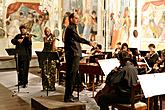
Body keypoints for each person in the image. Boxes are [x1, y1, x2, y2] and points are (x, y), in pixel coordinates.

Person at [64, 13, 94, 102]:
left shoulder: (72, 28)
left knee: (72, 76)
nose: (78, 20)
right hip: (73, 55)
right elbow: (78, 38)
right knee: (71, 76)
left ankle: (69, 95)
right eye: (76, 18)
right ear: (71, 19)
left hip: (74, 54)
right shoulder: (71, 28)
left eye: (78, 18)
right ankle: (68, 96)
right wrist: (89, 43)